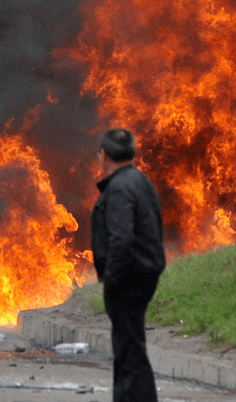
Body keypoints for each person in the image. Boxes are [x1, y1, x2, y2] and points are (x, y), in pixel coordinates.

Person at [90, 128, 166, 402]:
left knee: (130, 351)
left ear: (104, 155)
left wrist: (112, 277)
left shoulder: (121, 188)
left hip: (128, 278)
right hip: (143, 273)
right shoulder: (140, 181)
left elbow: (121, 239)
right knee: (127, 348)